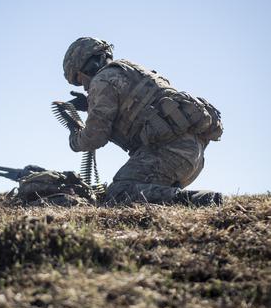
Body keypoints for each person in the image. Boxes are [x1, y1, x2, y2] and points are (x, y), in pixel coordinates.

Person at [63, 37, 223, 207]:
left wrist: (74, 136)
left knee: (118, 193)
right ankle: (185, 199)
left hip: (169, 153)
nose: (84, 86)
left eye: (80, 79)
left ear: (87, 66)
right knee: (139, 192)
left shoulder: (101, 80)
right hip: (192, 155)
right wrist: (89, 105)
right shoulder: (131, 69)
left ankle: (196, 200)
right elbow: (134, 106)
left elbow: (94, 137)